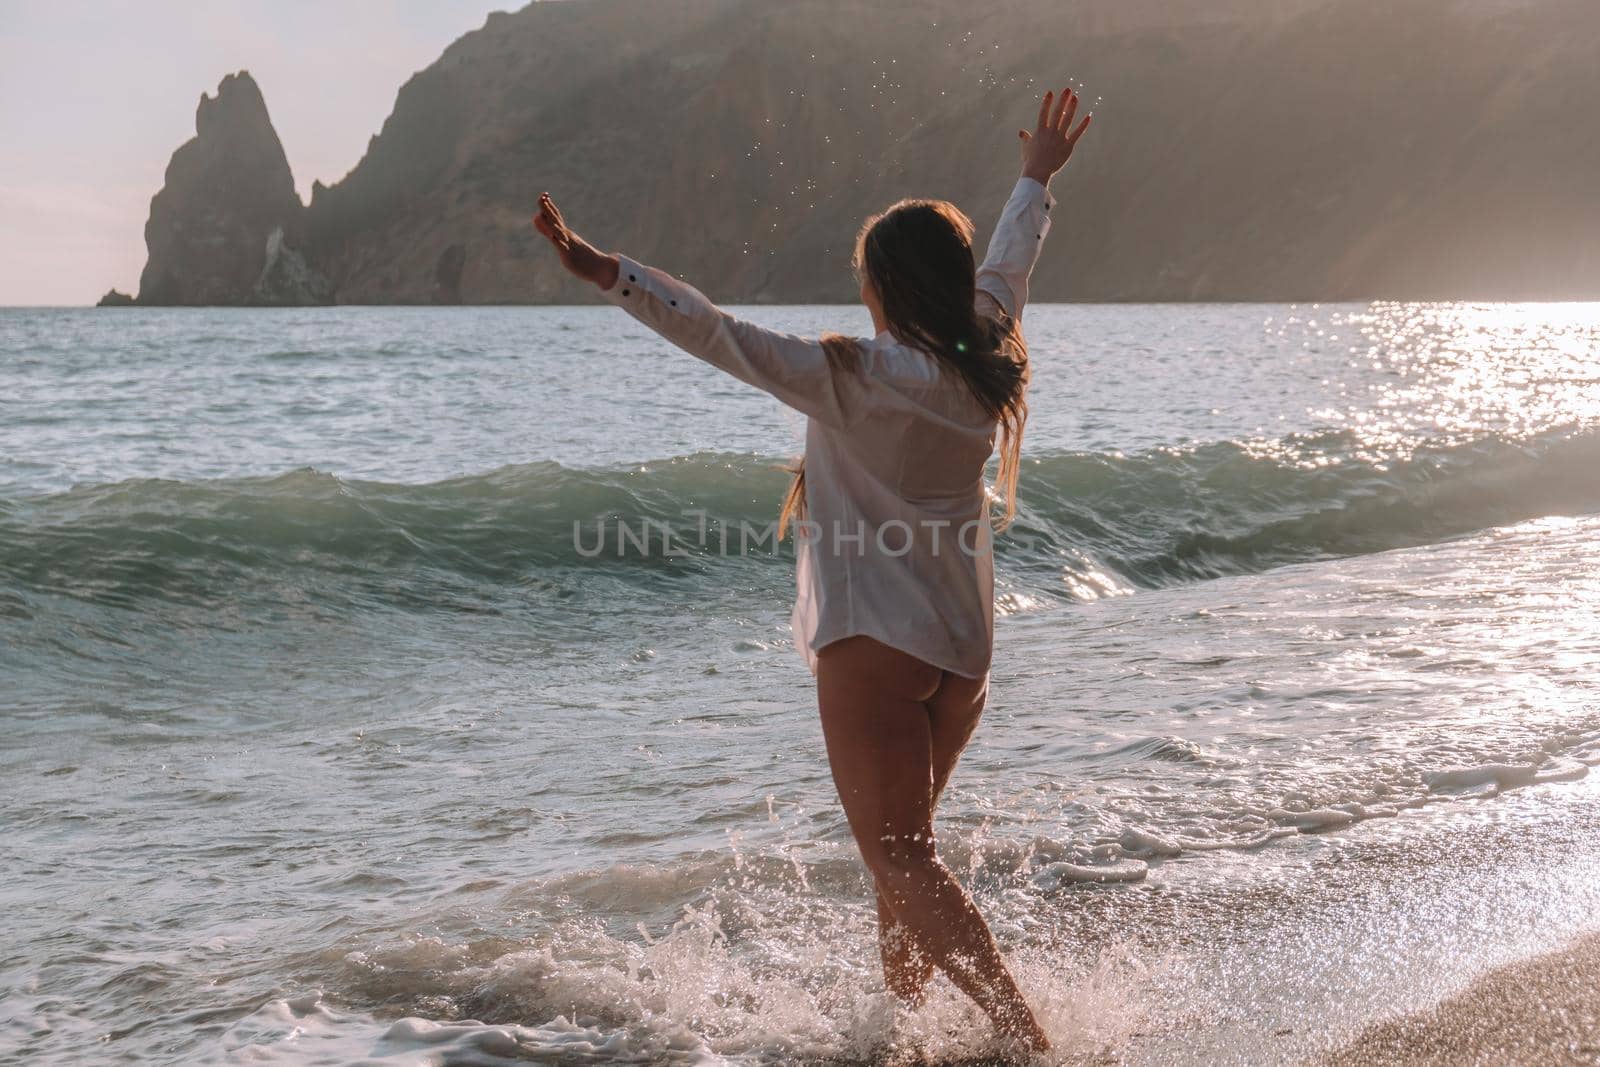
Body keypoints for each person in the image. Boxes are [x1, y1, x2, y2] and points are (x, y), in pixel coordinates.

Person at [534, 86, 1092, 1052]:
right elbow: (1009, 260)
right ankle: (909, 1038)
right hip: (962, 655)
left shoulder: (853, 375)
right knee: (902, 863)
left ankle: (1028, 1039)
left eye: (865, 277)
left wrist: (609, 273)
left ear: (886, 289)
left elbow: (716, 333)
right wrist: (1035, 176)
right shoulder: (988, 344)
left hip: (876, 644)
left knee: (902, 860)